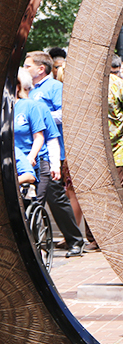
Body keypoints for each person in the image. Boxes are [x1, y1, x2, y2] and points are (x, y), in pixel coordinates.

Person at [24, 51, 85, 257]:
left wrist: (38, 116)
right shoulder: (28, 90)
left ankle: (75, 240)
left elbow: (65, 114)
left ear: (41, 68)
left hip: (51, 151)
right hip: (28, 152)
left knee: (56, 197)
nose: (25, 69)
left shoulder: (55, 88)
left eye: (28, 65)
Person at [109, 55, 123, 194]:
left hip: (92, 149)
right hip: (118, 149)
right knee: (118, 191)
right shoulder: (120, 84)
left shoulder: (85, 83)